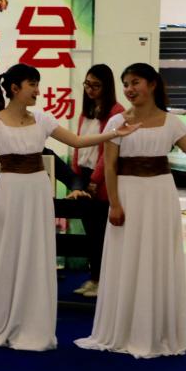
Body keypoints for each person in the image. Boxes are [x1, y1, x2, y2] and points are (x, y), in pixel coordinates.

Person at [0, 63, 137, 351]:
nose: (38, 90)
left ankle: (32, 321)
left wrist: (113, 134)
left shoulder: (42, 119)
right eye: (32, 85)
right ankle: (0, 319)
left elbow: (77, 141)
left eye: (37, 84)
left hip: (37, 191)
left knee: (36, 251)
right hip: (8, 192)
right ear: (15, 88)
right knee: (7, 251)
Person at [75, 63, 186, 358]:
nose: (129, 89)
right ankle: (124, 327)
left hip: (160, 196)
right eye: (126, 84)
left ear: (152, 84)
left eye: (135, 83)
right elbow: (109, 166)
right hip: (127, 195)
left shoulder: (171, 122)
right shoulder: (117, 121)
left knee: (156, 256)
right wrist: (115, 203)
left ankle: (154, 329)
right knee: (127, 256)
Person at [68, 64, 123, 297]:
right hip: (83, 175)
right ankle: (94, 278)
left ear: (106, 86)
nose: (90, 89)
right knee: (90, 234)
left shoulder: (116, 112)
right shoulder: (87, 110)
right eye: (87, 84)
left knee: (101, 234)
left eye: (96, 85)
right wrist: (75, 175)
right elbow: (78, 143)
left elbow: (108, 153)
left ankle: (104, 281)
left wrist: (95, 180)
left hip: (100, 180)